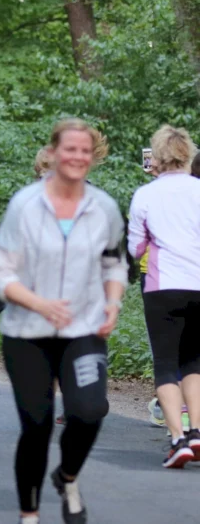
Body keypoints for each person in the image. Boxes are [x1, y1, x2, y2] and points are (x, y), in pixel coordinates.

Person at [0, 119, 127, 524]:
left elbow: (114, 263)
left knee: (89, 411)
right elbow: (0, 274)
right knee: (37, 425)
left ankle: (66, 476)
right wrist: (40, 304)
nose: (77, 157)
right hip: (27, 333)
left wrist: (113, 302)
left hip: (84, 329)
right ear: (52, 153)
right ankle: (29, 515)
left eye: (85, 150)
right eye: (70, 149)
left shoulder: (103, 208)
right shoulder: (25, 205)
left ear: (93, 156)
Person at [128, 125, 200, 468]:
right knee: (194, 361)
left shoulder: (146, 194)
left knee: (166, 362)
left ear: (156, 157)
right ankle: (197, 432)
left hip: (163, 286)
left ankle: (177, 440)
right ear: (188, 154)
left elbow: (135, 247)